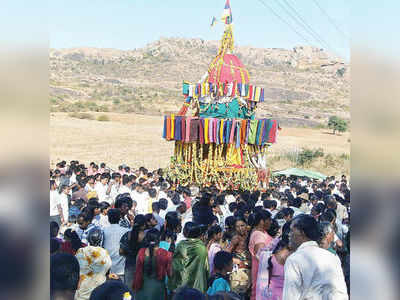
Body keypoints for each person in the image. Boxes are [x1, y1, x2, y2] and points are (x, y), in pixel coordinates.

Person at [282, 214, 348, 300]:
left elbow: (290, 296)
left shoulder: (294, 260)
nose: (289, 235)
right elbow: (341, 292)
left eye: (292, 231)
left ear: (301, 232)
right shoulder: (332, 257)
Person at [168, 222, 209, 293]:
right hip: (198, 288)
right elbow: (206, 268)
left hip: (182, 287)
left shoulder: (181, 245)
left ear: (185, 232)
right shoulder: (202, 248)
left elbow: (175, 266)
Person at [133, 229, 173, 300]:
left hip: (142, 290)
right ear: (159, 238)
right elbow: (170, 274)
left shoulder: (141, 252)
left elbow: (137, 270)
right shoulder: (166, 254)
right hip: (158, 292)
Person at [75, 228, 112, 300]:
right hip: (98, 293)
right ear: (101, 239)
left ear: (88, 238)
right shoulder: (104, 252)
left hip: (81, 293)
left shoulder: (81, 251)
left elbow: (75, 268)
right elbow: (108, 271)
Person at [247, 210, 272, 300]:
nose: (271, 222)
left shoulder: (260, 232)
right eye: (269, 220)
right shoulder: (258, 235)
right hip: (261, 270)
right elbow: (261, 254)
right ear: (262, 221)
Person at [225, 217, 251, 297]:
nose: (240, 228)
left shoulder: (250, 236)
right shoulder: (236, 239)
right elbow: (226, 254)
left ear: (246, 225)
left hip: (251, 270)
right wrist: (237, 261)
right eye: (237, 226)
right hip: (240, 272)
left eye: (242, 225)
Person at [102, 209, 130, 282]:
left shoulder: (103, 230)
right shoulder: (126, 231)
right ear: (119, 218)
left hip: (107, 269)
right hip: (121, 269)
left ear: (108, 218)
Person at [119, 214, 146, 288]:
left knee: (129, 291)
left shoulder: (127, 235)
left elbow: (121, 251)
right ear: (144, 225)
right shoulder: (147, 236)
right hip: (143, 267)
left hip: (129, 265)